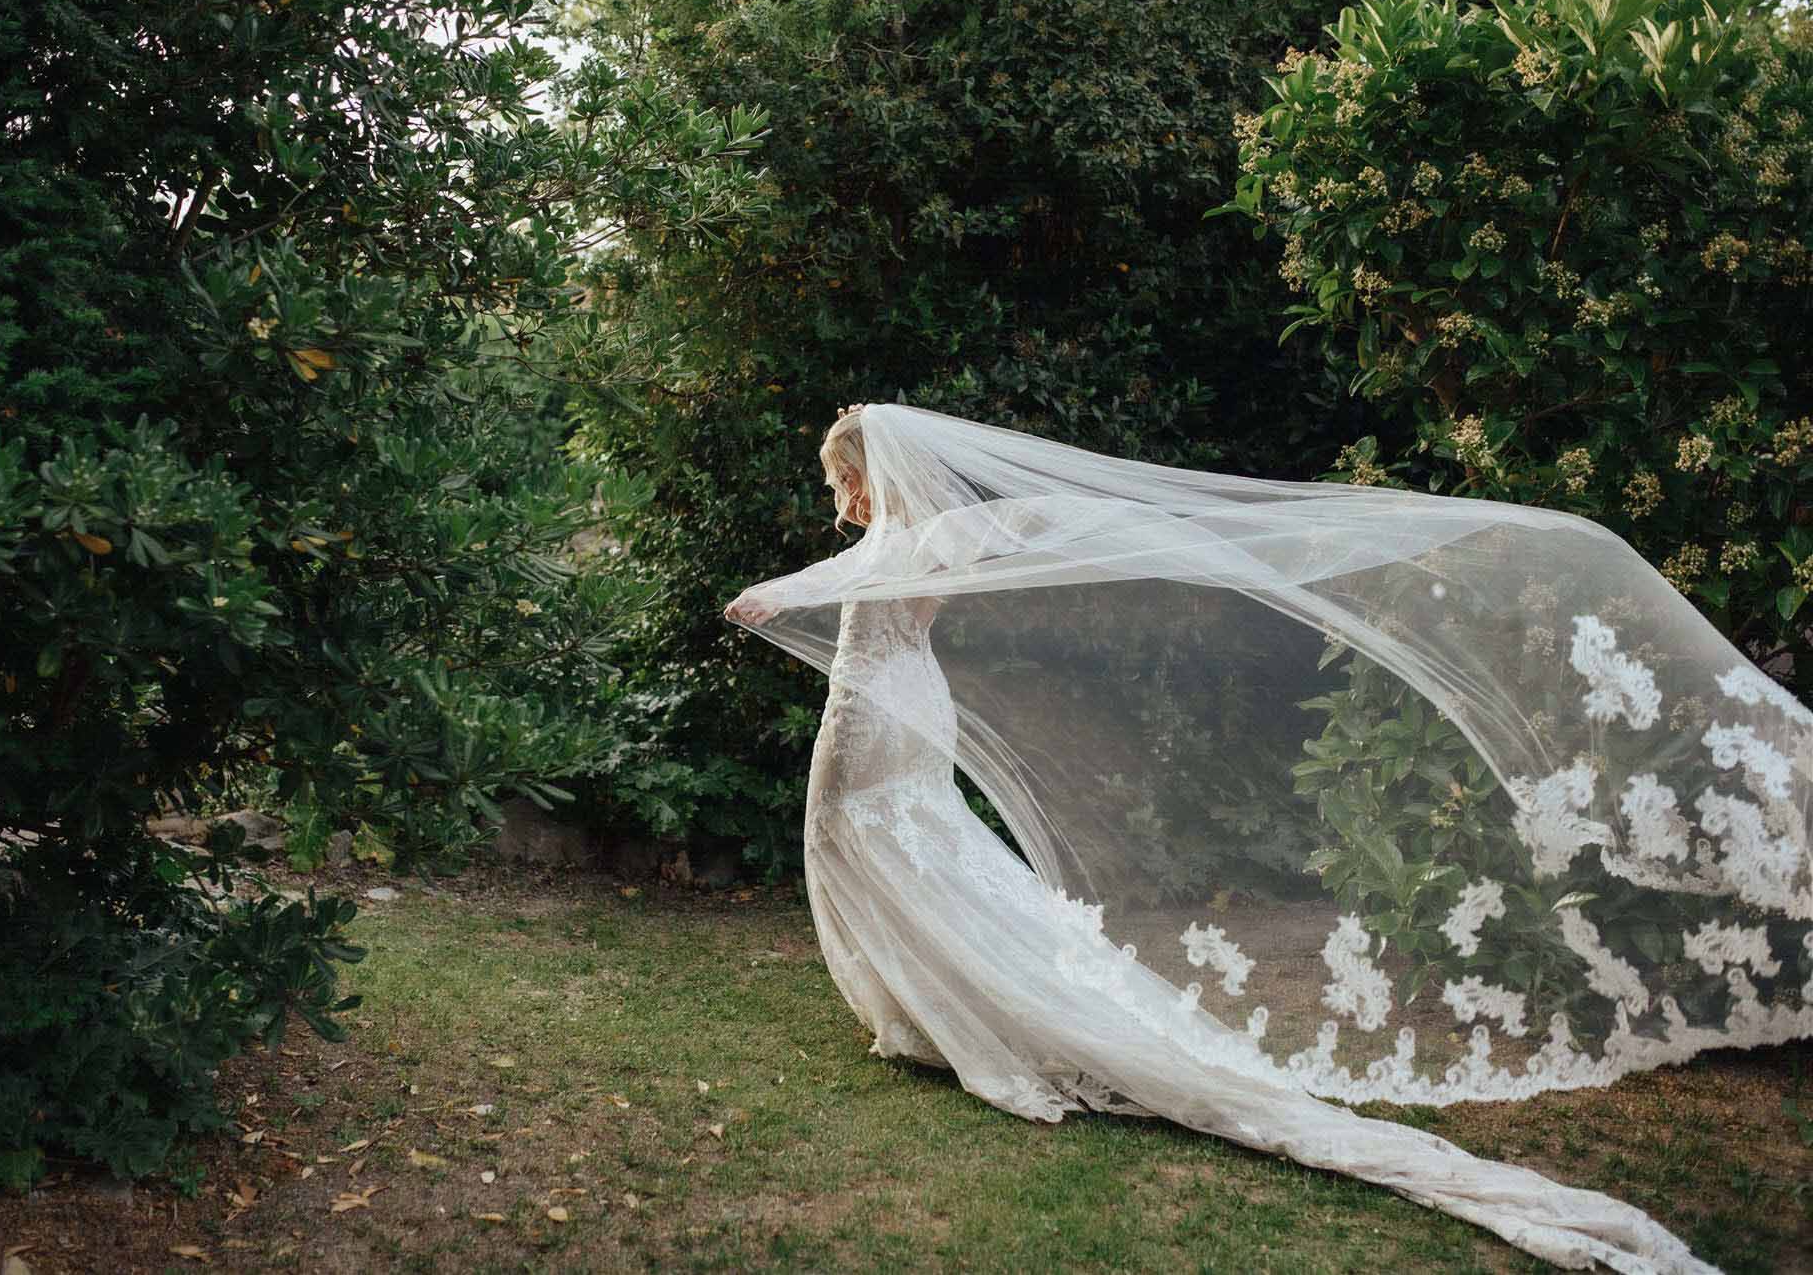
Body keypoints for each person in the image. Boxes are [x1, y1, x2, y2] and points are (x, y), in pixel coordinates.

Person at [726, 403, 1813, 1274]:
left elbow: (900, 570)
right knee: (879, 844)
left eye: (841, 479)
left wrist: (773, 594)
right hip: (887, 709)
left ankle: (967, 1015)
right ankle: (925, 1008)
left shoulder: (931, 534)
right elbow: (865, 573)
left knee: (870, 838)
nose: (841, 499)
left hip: (883, 713)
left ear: (869, 470)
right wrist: (793, 591)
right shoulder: (901, 539)